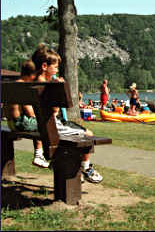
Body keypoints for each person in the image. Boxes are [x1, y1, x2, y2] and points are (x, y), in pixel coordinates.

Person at [32, 43, 103, 184]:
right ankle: (86, 167)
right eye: (56, 67)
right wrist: (58, 89)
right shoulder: (48, 86)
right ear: (45, 66)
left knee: (80, 132)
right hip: (51, 127)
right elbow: (55, 110)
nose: (57, 70)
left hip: (42, 127)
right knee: (88, 134)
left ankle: (77, 167)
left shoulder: (33, 83)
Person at [3, 60, 49, 168]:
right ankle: (39, 154)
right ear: (32, 75)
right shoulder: (23, 87)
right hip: (20, 124)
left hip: (11, 124)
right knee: (45, 125)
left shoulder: (12, 85)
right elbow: (30, 112)